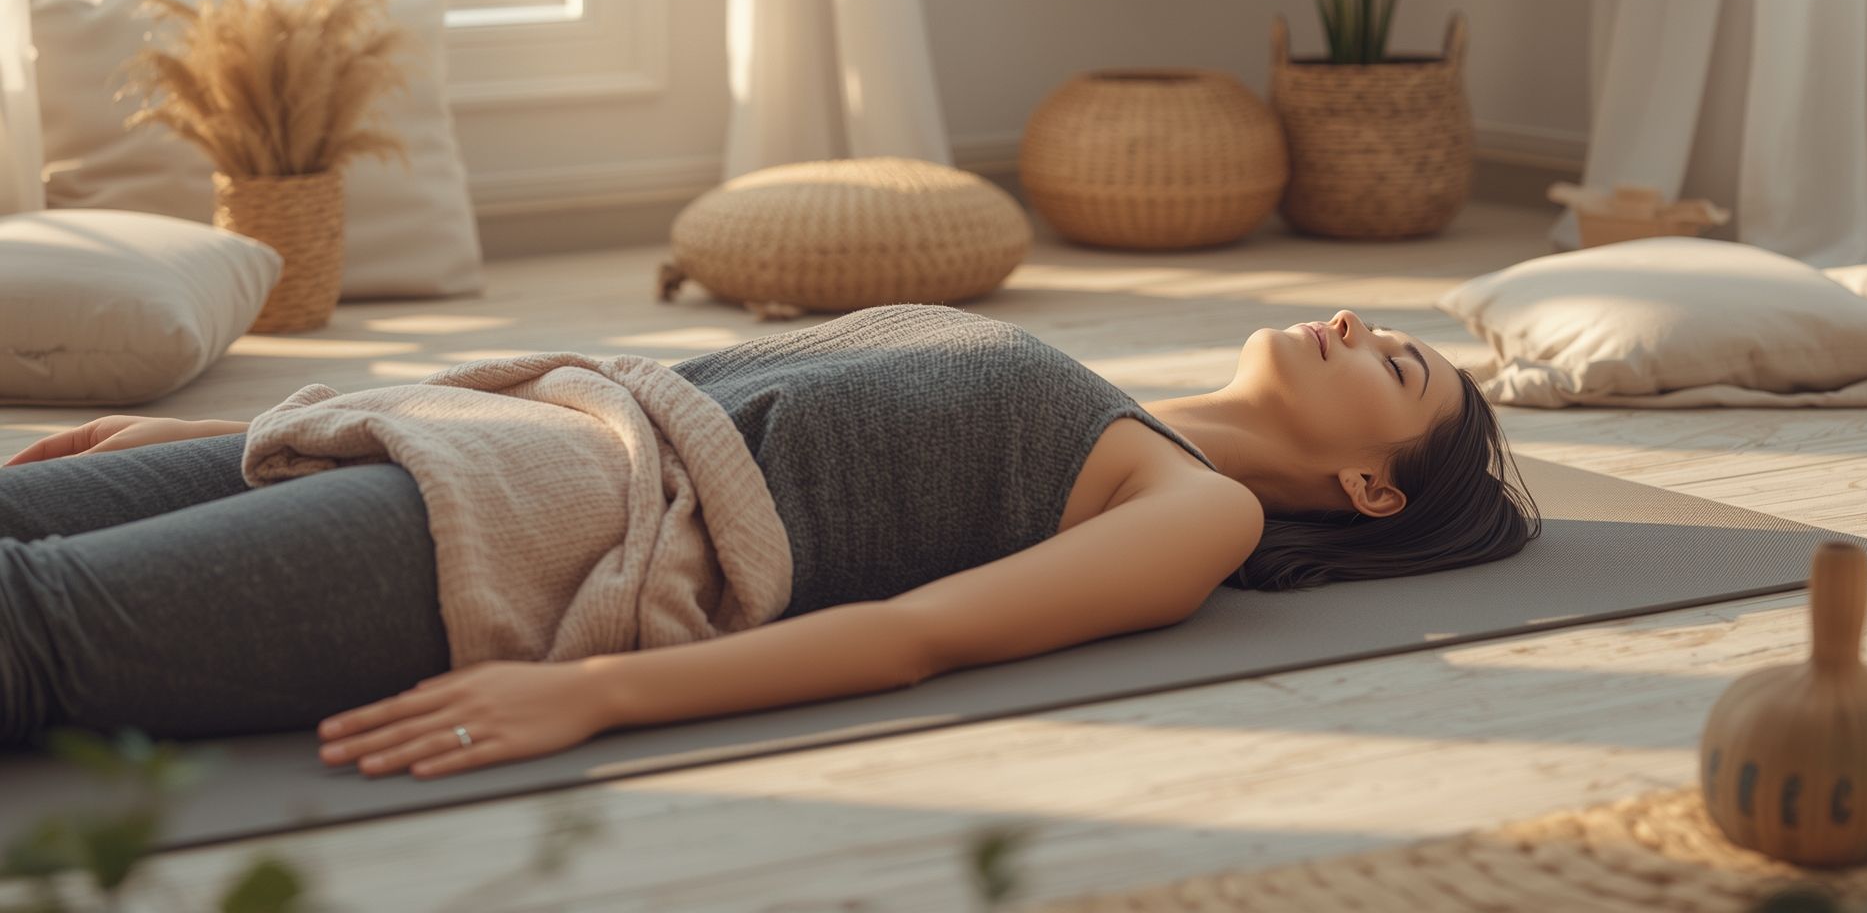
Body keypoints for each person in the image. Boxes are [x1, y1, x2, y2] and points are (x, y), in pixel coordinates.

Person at [0, 304, 1539, 779]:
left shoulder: (1189, 510)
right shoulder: (1088, 373)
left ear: (1373, 492)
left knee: (33, 626)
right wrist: (253, 437)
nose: (1354, 320)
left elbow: (918, 639)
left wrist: (594, 696)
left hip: (559, 530)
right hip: (496, 430)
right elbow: (703, 368)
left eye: (1394, 362)